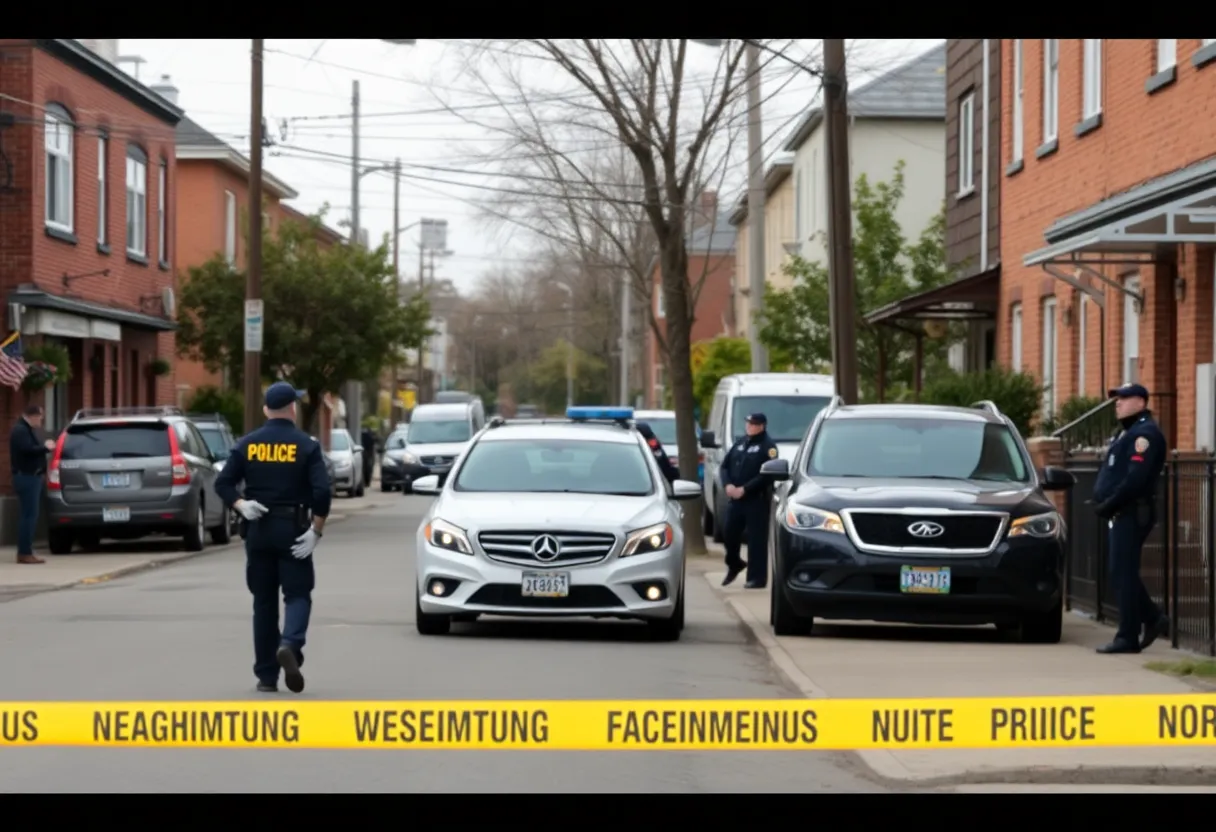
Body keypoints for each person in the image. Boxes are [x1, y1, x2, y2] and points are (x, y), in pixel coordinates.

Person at [215, 382, 333, 693]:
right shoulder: (306, 445)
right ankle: (290, 645)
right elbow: (322, 492)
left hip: (259, 530)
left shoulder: (247, 444)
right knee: (297, 594)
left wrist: (240, 505)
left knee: (263, 603)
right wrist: (316, 530)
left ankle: (267, 676)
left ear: (266, 410)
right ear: (292, 408)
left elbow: (223, 483)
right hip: (293, 529)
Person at [1091, 383, 1170, 655]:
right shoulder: (1128, 433)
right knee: (1120, 572)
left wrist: (1109, 502)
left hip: (1133, 511)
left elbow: (1135, 480)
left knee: (1122, 573)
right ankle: (1152, 618)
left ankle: (1128, 635)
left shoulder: (1144, 435)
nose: (1118, 404)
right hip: (1122, 511)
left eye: (1123, 399)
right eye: (1116, 399)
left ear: (1140, 402)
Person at [719, 412, 779, 589]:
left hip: (756, 500)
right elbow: (724, 466)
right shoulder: (740, 443)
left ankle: (756, 578)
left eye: (753, 424)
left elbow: (767, 476)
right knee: (729, 532)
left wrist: (745, 489)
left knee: (756, 541)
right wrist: (728, 485)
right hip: (735, 499)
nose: (749, 426)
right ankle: (734, 563)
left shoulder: (768, 447)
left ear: (762, 426)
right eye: (748, 423)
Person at [10, 405, 56, 565]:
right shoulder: (20, 431)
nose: (41, 420)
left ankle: (26, 550)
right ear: (32, 416)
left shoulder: (26, 430)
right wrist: (45, 448)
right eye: (40, 417)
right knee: (29, 516)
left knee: (30, 515)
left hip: (32, 477)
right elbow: (27, 450)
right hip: (27, 477)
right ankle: (24, 552)